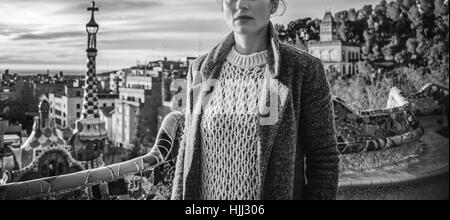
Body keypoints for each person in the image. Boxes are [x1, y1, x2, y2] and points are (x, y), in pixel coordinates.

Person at [171, 0, 339, 200]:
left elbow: (323, 159)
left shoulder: (302, 69)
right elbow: (186, 150)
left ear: (273, 5)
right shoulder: (200, 69)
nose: (241, 4)